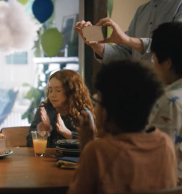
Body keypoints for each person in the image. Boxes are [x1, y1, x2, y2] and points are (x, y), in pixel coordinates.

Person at [68, 60, 176, 194]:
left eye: (97, 101)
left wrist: (86, 147)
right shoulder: (165, 144)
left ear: (106, 113)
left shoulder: (98, 151)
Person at [147, 22, 182, 185]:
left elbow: (152, 159)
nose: (153, 65)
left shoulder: (171, 101)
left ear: (167, 62)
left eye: (153, 58)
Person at [26, 70, 95, 148]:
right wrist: (44, 131)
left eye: (58, 90)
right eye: (50, 90)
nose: (52, 95)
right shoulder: (44, 111)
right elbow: (30, 146)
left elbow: (91, 146)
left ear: (71, 92)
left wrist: (67, 133)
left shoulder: (83, 114)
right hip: (46, 159)